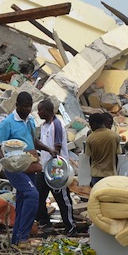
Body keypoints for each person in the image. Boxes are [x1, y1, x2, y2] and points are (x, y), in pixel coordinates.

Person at [0, 91, 40, 246]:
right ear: (17, 105)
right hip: (14, 167)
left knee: (22, 201)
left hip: (29, 165)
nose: (28, 109)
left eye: (30, 106)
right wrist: (5, 162)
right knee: (32, 195)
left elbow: (34, 141)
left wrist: (49, 150)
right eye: (25, 106)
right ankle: (23, 237)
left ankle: (15, 241)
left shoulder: (31, 121)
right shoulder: (8, 123)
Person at [34, 98, 79, 236]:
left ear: (47, 110)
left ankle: (70, 226)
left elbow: (57, 148)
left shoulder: (56, 125)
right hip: (44, 167)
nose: (38, 112)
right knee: (37, 196)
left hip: (56, 168)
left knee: (62, 199)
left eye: (40, 110)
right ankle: (44, 222)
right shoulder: (44, 125)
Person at [86, 112, 121, 187]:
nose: (91, 128)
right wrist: (115, 172)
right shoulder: (115, 136)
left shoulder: (90, 138)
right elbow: (116, 157)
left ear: (95, 124)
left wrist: (91, 174)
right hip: (110, 174)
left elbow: (90, 159)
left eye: (91, 125)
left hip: (96, 175)